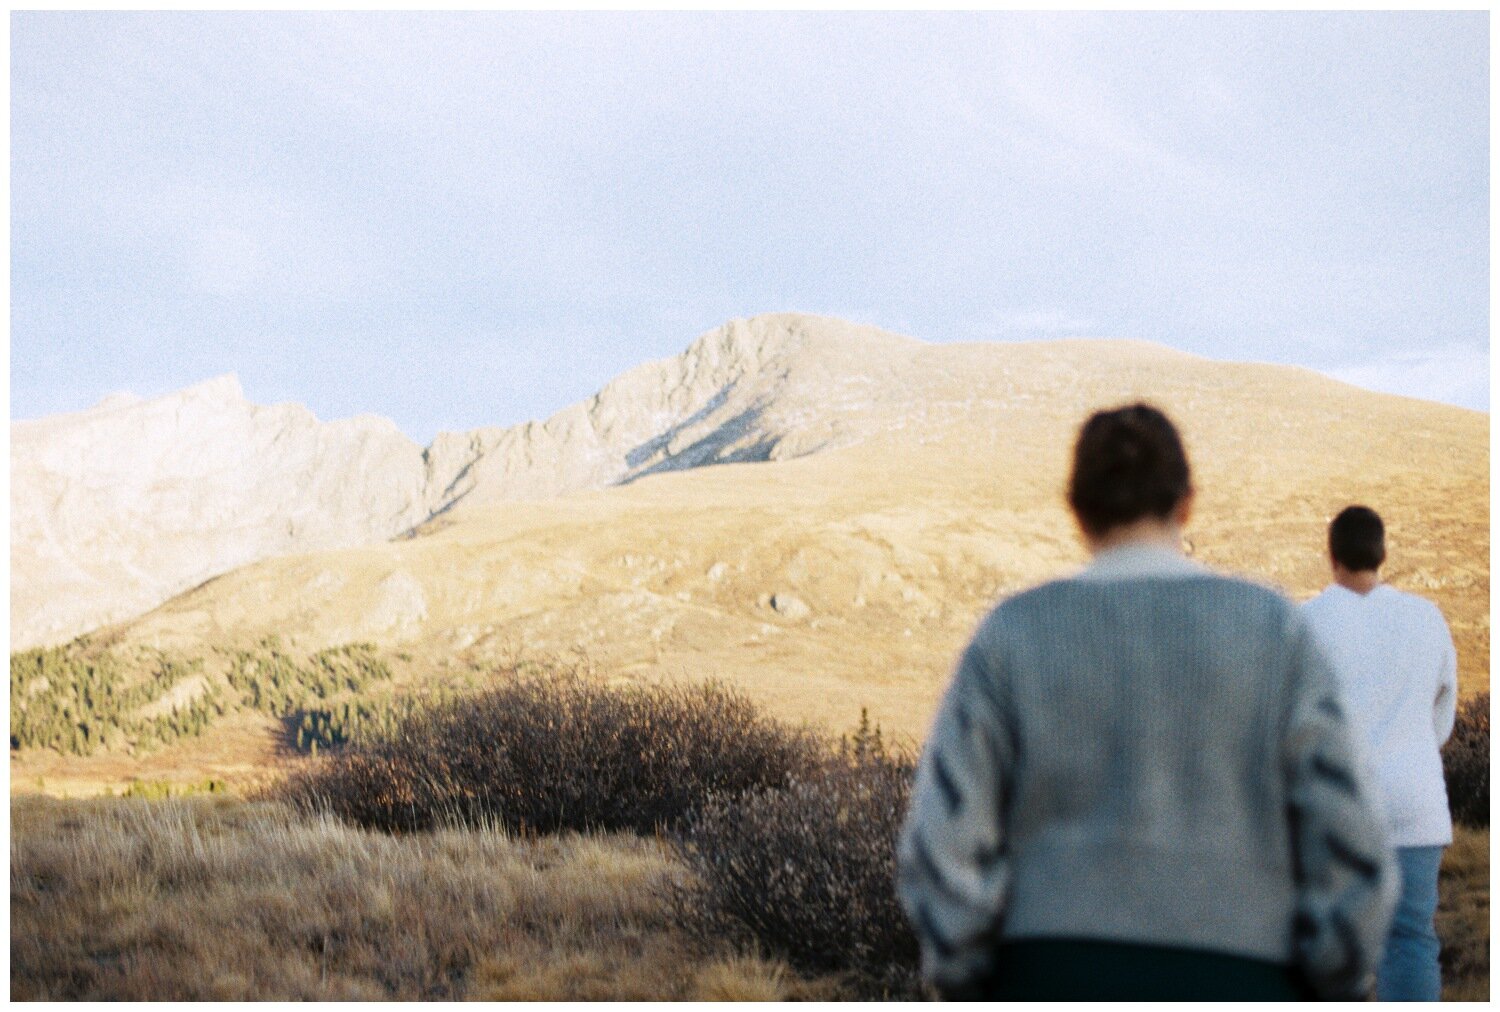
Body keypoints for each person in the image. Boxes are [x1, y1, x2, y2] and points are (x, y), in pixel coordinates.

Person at [896, 403, 1398, 1000]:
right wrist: (1329, 980)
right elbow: (1352, 840)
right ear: (1186, 502)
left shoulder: (1013, 633)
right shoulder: (1272, 629)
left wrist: (971, 977)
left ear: (1076, 508)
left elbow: (943, 841)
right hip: (1243, 976)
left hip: (1049, 974)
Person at [1302, 506, 1458, 1001]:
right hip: (1414, 802)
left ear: (1332, 557)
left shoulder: (1306, 623)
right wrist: (1411, 749)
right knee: (1411, 940)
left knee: (1329, 949)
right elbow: (1443, 706)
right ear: (1382, 553)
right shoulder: (1425, 618)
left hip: (1337, 808)